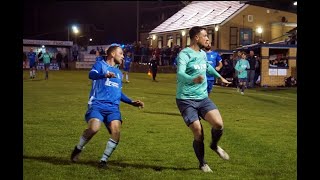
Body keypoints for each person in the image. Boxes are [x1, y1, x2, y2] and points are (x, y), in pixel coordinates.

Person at [70, 44, 144, 168]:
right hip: (97, 105)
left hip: (113, 108)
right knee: (94, 128)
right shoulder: (100, 65)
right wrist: (104, 75)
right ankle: (78, 148)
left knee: (116, 132)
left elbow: (118, 92)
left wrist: (131, 102)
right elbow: (91, 75)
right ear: (112, 54)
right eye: (121, 53)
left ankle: (103, 161)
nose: (123, 56)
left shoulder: (119, 73)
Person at [175, 26, 231, 173]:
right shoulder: (184, 54)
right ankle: (202, 163)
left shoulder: (202, 54)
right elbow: (180, 74)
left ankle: (214, 145)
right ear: (196, 38)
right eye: (205, 36)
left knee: (218, 124)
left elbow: (207, 67)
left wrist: (220, 78)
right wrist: (193, 79)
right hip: (186, 99)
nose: (208, 39)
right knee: (198, 132)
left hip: (202, 98)